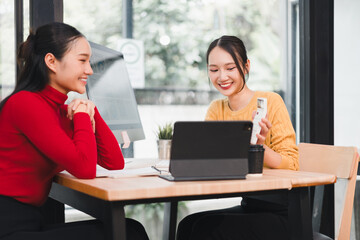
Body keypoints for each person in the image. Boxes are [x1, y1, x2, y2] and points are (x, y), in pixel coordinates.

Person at [0, 22, 149, 240]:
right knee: (126, 233)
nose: (89, 70)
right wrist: (81, 115)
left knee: (130, 229)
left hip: (30, 221)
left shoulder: (60, 111)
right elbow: (84, 168)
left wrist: (91, 110)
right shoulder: (26, 104)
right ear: (51, 61)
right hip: (8, 226)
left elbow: (115, 162)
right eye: (82, 60)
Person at [176, 35, 299, 240]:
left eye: (230, 68)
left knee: (204, 231)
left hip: (282, 213)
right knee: (187, 225)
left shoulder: (271, 101)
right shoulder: (216, 110)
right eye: (214, 70)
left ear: (246, 66)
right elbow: (210, 162)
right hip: (250, 204)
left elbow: (292, 164)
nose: (222, 76)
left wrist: (259, 148)